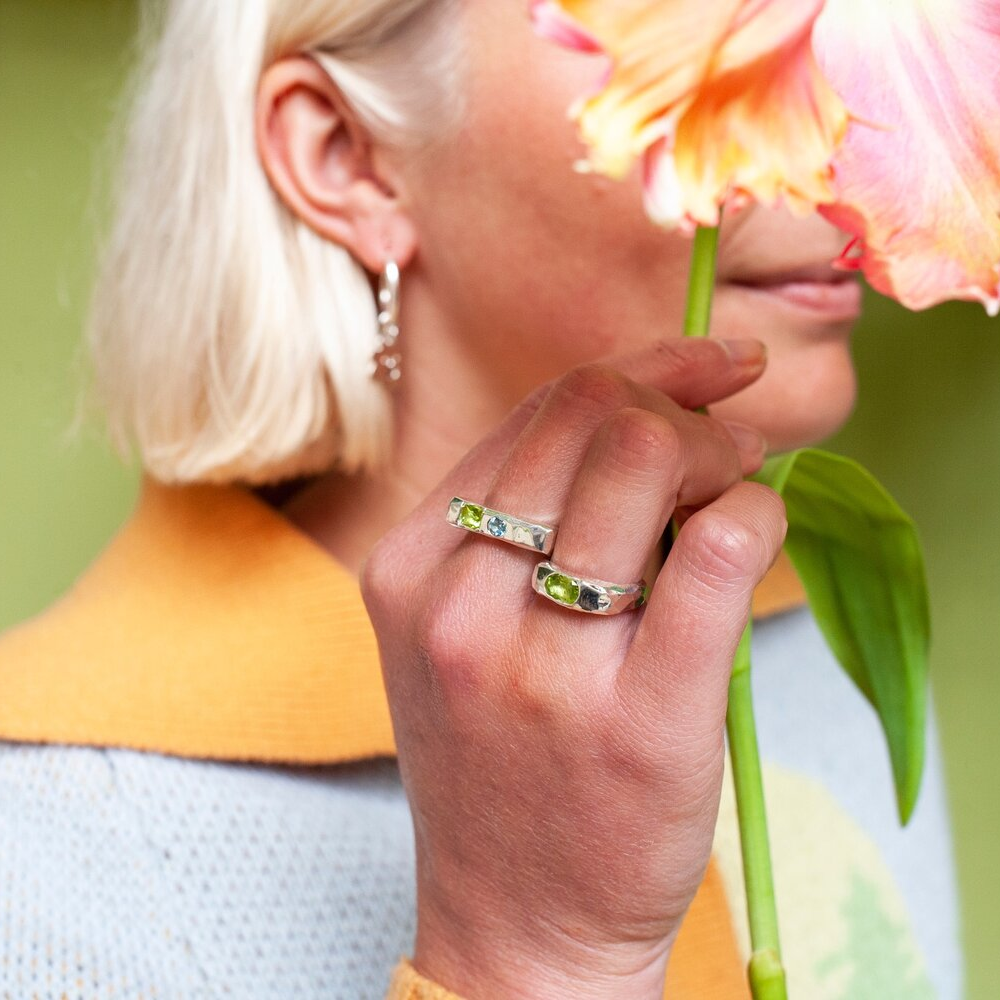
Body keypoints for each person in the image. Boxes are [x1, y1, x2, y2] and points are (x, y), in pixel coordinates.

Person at [0, 1, 962, 997]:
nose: (837, 108)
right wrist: (532, 965)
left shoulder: (820, 635)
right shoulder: (36, 849)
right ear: (346, 156)